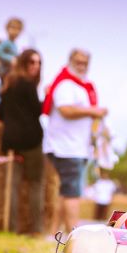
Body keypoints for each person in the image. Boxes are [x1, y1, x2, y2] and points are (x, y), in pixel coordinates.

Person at [43, 49, 108, 235]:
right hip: (65, 147)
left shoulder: (82, 86)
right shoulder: (66, 85)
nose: (81, 66)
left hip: (76, 147)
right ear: (70, 61)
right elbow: (65, 110)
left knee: (65, 191)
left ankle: (53, 233)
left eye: (85, 63)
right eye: (78, 62)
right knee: (73, 192)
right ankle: (75, 235)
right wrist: (92, 111)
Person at [0, 49, 45, 235]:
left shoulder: (9, 84)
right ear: (24, 63)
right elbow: (37, 110)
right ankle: (37, 230)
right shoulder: (28, 84)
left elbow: (0, 113)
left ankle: (11, 228)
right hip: (31, 141)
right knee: (36, 185)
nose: (36, 66)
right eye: (32, 62)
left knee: (12, 185)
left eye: (39, 63)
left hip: (10, 140)